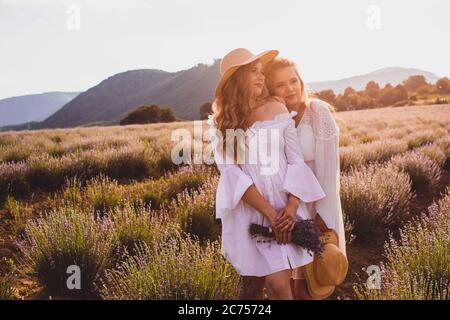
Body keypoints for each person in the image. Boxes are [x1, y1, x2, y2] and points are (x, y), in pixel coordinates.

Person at [208, 48, 325, 299]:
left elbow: (295, 160)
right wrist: (270, 215)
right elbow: (232, 176)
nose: (261, 77)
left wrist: (291, 208)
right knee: (257, 288)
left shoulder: (277, 107)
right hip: (252, 214)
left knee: (280, 285)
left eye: (262, 71)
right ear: (236, 78)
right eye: (253, 72)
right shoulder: (221, 123)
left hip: (287, 208)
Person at [264, 57, 346, 299]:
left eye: (293, 80)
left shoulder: (317, 111)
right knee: (289, 282)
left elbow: (330, 169)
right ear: (271, 89)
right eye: (280, 84)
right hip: (288, 206)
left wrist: (324, 212)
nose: (289, 88)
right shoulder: (274, 118)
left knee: (313, 282)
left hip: (317, 205)